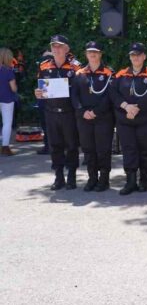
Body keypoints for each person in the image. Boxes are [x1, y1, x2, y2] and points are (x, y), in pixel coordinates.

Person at [109, 43, 147, 195]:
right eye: (133, 55)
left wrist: (136, 108)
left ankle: (144, 180)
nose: (136, 58)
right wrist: (126, 107)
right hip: (125, 120)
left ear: (144, 56)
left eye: (139, 55)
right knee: (129, 150)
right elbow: (113, 93)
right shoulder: (121, 74)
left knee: (146, 150)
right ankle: (130, 181)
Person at [34, 35, 81, 190]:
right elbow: (40, 87)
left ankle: (72, 176)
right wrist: (38, 93)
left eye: (60, 46)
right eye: (54, 46)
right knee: (55, 146)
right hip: (51, 112)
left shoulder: (76, 67)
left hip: (69, 113)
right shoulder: (44, 66)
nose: (56, 49)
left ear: (67, 49)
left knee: (72, 145)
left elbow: (81, 90)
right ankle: (59, 176)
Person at [70, 42, 114, 192]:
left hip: (103, 118)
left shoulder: (109, 73)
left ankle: (104, 179)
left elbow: (109, 97)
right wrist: (82, 111)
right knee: (88, 149)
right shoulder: (79, 74)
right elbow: (74, 95)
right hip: (84, 118)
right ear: (86, 54)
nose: (93, 54)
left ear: (100, 54)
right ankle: (92, 178)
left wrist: (96, 112)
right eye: (90, 52)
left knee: (103, 149)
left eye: (95, 52)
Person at [0, 48, 18, 156]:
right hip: (7, 99)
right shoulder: (8, 71)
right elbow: (13, 88)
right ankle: (5, 147)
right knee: (7, 123)